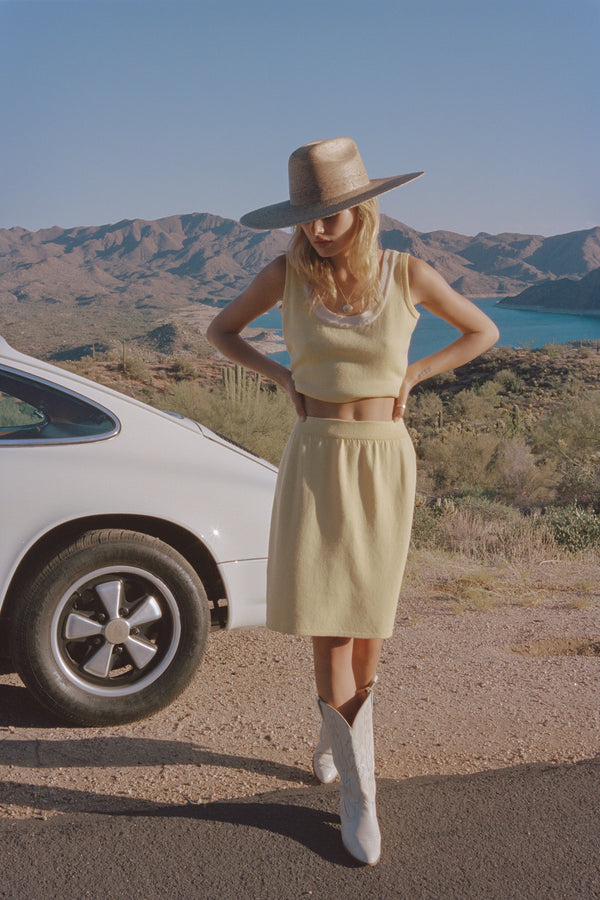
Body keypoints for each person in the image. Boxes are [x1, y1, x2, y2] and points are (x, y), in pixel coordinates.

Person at [207, 137, 499, 866]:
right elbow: (221, 331)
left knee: (367, 625)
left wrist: (418, 373)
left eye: (333, 212)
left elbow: (481, 330)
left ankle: (335, 737)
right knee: (331, 626)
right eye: (309, 215)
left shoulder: (408, 273)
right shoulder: (285, 275)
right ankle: (358, 793)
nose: (320, 227)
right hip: (316, 458)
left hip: (385, 461)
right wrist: (280, 378)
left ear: (363, 206)